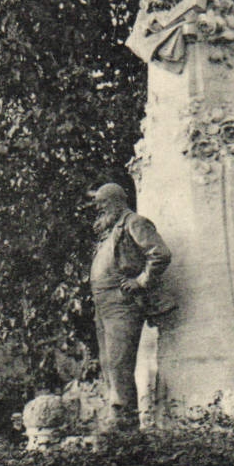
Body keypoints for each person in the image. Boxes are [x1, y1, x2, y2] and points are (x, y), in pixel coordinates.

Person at [87, 182, 172, 430]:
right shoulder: (111, 231)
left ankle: (124, 423)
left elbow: (160, 253)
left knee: (119, 361)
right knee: (107, 361)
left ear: (117, 201)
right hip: (104, 304)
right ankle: (117, 414)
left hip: (122, 302)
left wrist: (141, 281)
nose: (99, 208)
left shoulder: (134, 222)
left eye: (103, 202)